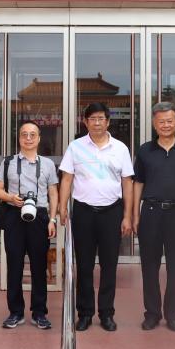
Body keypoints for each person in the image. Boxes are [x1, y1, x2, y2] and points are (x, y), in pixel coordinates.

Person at [58, 102, 134, 332]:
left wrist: (127, 216)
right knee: (84, 265)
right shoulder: (76, 147)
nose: (97, 122)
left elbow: (127, 183)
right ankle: (85, 313)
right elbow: (67, 179)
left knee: (109, 265)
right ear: (85, 122)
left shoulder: (120, 148)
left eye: (101, 118)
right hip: (84, 212)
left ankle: (106, 313)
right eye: (93, 119)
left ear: (108, 121)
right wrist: (62, 206)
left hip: (112, 212)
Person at [133, 101, 175, 332]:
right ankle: (152, 314)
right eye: (161, 121)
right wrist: (135, 214)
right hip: (150, 213)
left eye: (169, 121)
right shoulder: (145, 151)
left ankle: (173, 314)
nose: (165, 125)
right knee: (149, 266)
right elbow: (138, 183)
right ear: (154, 123)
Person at [0, 122, 60, 330]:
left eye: (32, 134)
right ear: (19, 138)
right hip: (14, 214)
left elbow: (53, 193)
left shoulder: (48, 164)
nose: (28, 138)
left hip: (39, 216)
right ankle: (16, 312)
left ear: (39, 138)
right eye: (24, 134)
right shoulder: (9, 162)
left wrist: (52, 219)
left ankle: (39, 312)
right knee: (14, 265)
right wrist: (10, 198)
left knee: (39, 265)